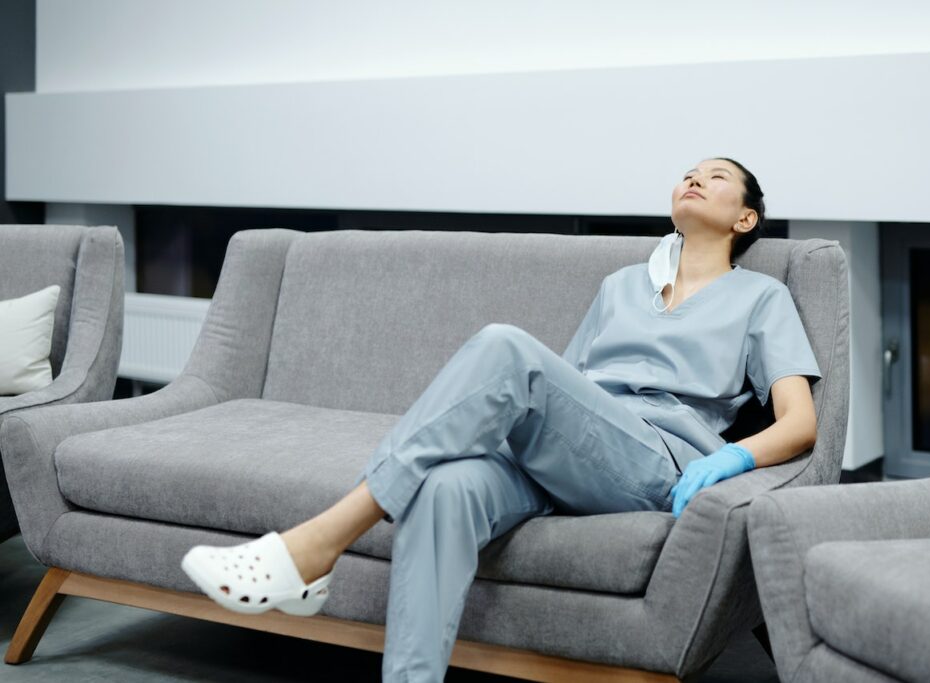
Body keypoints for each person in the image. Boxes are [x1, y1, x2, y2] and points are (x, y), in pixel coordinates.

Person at [181, 157, 821, 681]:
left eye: (713, 176)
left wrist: (730, 457)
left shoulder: (760, 296)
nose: (692, 178)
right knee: (446, 487)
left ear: (745, 216)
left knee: (504, 345)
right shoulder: (621, 286)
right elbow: (566, 385)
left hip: (654, 457)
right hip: (575, 449)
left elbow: (799, 422)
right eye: (687, 172)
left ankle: (316, 545)